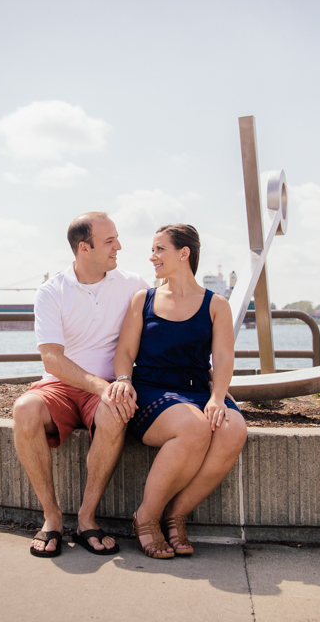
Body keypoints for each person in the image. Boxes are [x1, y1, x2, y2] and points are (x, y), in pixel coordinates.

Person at [105, 224, 248, 559]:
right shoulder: (145, 299)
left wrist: (217, 397)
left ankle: (176, 515)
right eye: (153, 250)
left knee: (233, 429)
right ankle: (146, 518)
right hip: (151, 391)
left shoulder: (217, 305)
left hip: (197, 390)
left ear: (184, 253)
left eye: (159, 249)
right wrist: (123, 379)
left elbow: (224, 356)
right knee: (193, 426)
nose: (152, 257)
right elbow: (124, 351)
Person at [12, 212, 147, 558]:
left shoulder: (133, 285)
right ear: (84, 248)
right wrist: (101, 388)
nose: (119, 246)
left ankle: (87, 517)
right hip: (61, 385)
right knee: (24, 409)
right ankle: (52, 517)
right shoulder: (51, 291)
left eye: (117, 238)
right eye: (110, 241)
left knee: (116, 412)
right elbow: (52, 360)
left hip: (106, 386)